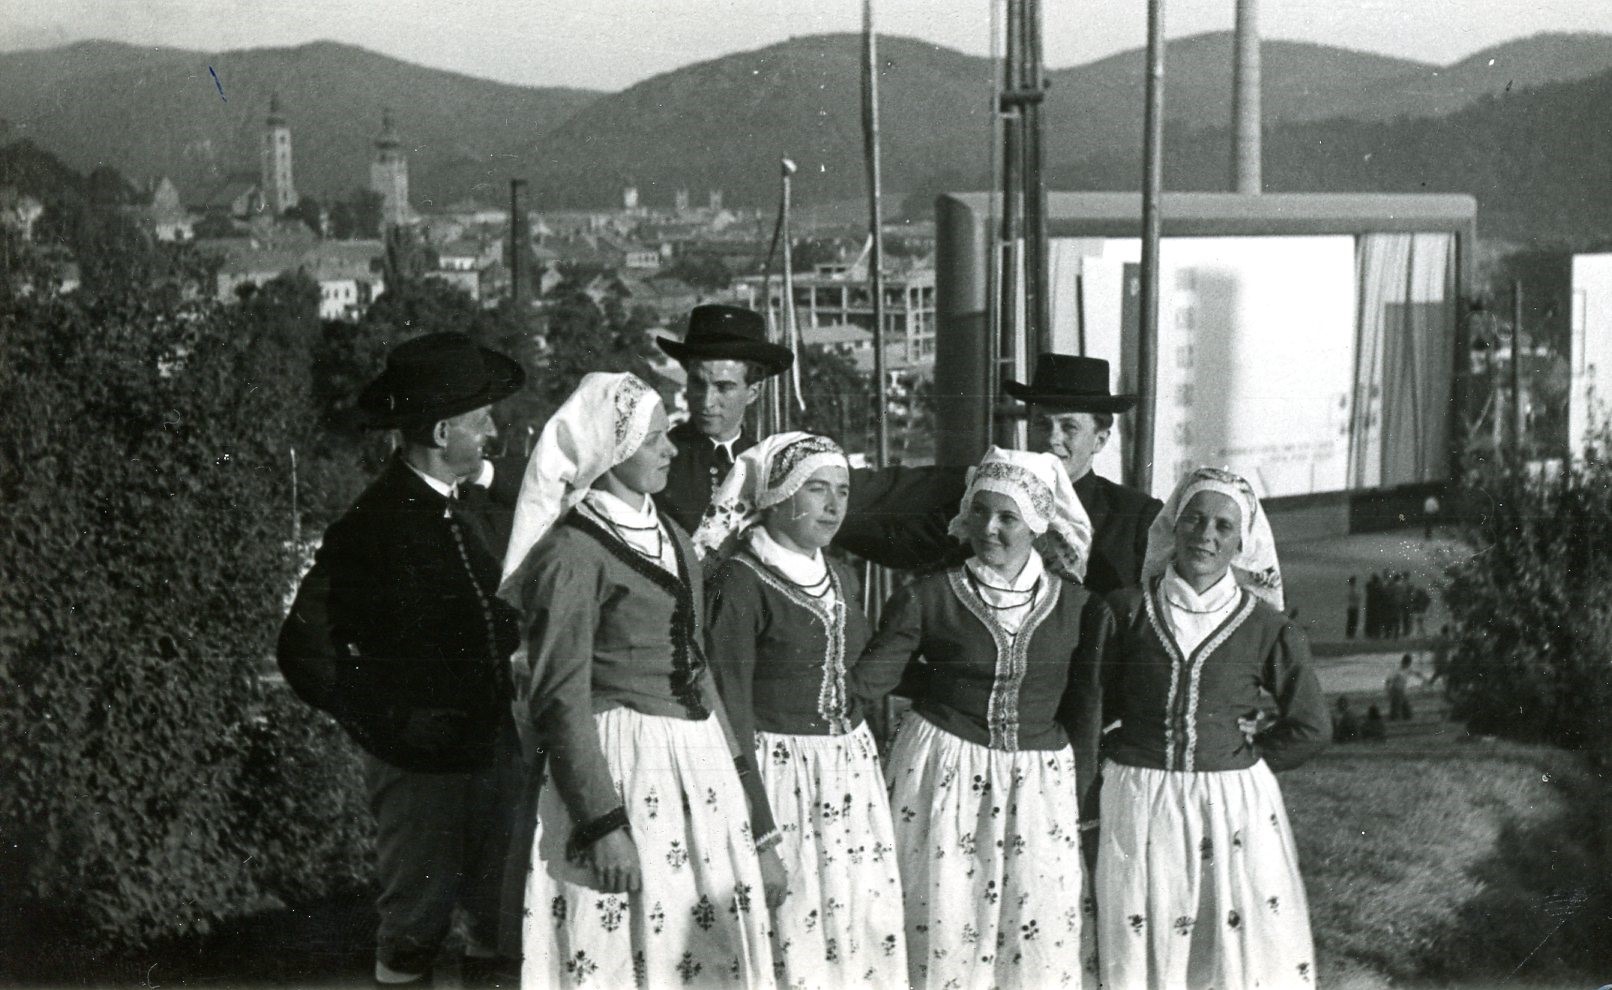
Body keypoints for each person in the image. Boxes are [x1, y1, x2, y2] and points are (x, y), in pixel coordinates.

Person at [499, 372, 786, 989]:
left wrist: (744, 795)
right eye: (653, 438)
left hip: (697, 765)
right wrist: (602, 825)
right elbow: (560, 698)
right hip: (621, 768)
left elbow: (698, 669)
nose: (671, 448)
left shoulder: (673, 537)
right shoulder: (572, 553)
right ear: (613, 448)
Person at [290, 332, 526, 987]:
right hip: (421, 771)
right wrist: (390, 725)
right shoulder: (374, 524)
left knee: (499, 925)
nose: (492, 433)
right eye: (482, 421)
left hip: (492, 756)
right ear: (444, 432)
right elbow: (304, 651)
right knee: (414, 933)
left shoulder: (467, 508)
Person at [852, 446, 1111, 989]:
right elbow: (870, 679)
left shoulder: (1080, 608)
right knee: (943, 918)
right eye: (980, 512)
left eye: (1007, 517)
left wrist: (1085, 802)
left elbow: (1085, 709)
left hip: (1039, 786)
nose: (989, 528)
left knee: (1034, 928)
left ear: (1037, 523)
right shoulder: (927, 596)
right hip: (942, 774)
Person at [1097, 466, 1327, 990]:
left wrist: (1246, 755)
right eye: (1194, 520)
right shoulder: (1125, 611)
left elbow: (1311, 726)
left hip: (1230, 809)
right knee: (1140, 932)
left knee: (1222, 941)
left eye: (1224, 526)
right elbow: (1093, 706)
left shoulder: (1267, 626)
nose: (1206, 535)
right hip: (1137, 798)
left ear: (1243, 542)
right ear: (1172, 526)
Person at [695, 432, 907, 989]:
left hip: (849, 779)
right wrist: (760, 830)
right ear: (779, 494)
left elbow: (855, 670)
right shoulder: (741, 581)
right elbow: (729, 708)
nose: (834, 506)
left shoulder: (842, 575)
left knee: (858, 927)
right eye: (817, 489)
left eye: (842, 491)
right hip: (778, 778)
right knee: (795, 931)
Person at [655, 303, 967, 571]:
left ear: (754, 391)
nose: (707, 401)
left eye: (723, 387)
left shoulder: (776, 464)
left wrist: (973, 482)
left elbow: (881, 493)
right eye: (697, 384)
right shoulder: (656, 460)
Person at [1003, 354, 1165, 595]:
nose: (1052, 438)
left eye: (1069, 427)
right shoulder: (995, 505)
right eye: (1042, 424)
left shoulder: (1137, 517)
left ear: (1100, 440)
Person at [1386, 654, 1416, 721]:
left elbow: (1416, 673)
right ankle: (1394, 719)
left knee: (1407, 713)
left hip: (1402, 691)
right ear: (1404, 662)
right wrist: (1388, 691)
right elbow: (1388, 681)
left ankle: (1401, 717)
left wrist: (1424, 679)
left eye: (1409, 664)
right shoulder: (1396, 670)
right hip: (1395, 691)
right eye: (1408, 664)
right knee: (1396, 708)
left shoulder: (1408, 669)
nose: (1409, 665)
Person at [1345, 575, 1362, 640]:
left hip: (1350, 606)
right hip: (1354, 607)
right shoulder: (1354, 589)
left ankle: (1349, 634)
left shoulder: (1349, 589)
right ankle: (1351, 634)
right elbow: (1358, 598)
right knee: (1354, 621)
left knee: (1350, 621)